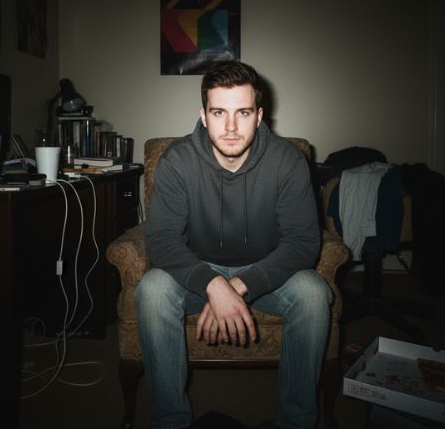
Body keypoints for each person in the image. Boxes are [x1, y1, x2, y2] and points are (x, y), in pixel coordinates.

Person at [136, 60, 332, 429]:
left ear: (259, 116)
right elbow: (161, 240)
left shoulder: (287, 161)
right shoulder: (177, 160)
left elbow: (303, 243)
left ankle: (296, 421)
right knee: (152, 290)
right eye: (218, 113)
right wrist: (212, 285)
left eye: (242, 112)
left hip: (266, 271)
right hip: (198, 270)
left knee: (313, 293)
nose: (230, 127)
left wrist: (238, 286)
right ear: (203, 115)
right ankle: (170, 421)